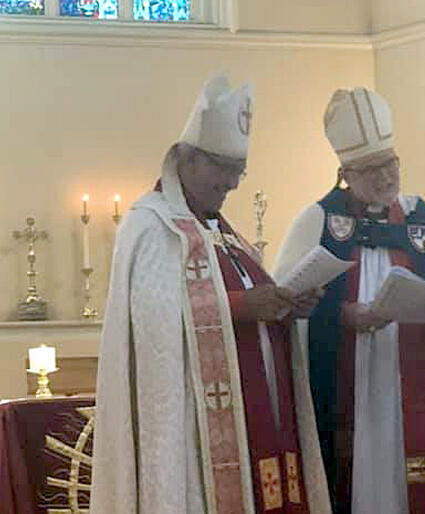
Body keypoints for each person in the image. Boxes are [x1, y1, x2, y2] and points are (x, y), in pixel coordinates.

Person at [90, 74, 331, 513]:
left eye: (238, 172)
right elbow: (153, 327)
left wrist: (285, 308)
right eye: (223, 170)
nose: (232, 184)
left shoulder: (222, 231)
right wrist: (239, 307)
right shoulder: (151, 224)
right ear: (188, 158)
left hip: (259, 416)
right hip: (194, 430)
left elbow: (245, 306)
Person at [273, 87, 425, 514]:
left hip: (415, 380)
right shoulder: (317, 221)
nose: (386, 177)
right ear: (345, 173)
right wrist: (341, 317)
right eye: (372, 170)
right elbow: (283, 309)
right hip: (349, 384)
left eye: (391, 164)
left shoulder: (424, 222)